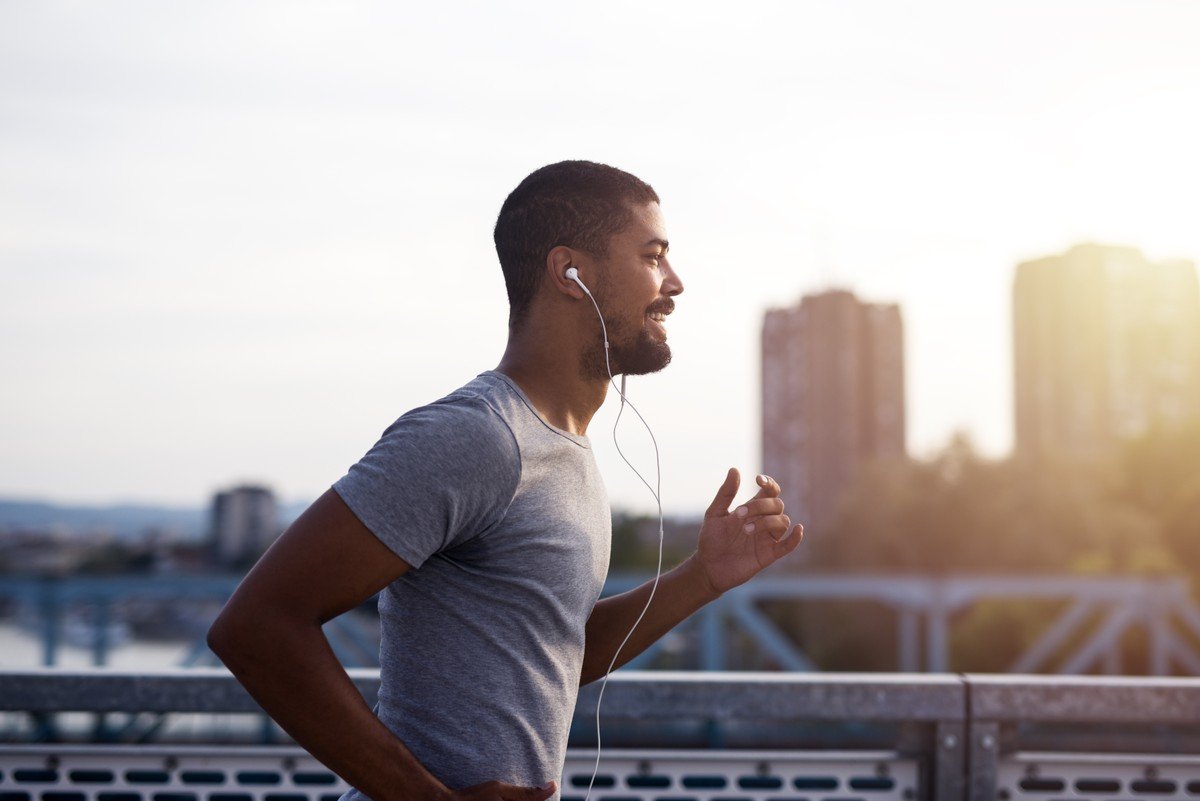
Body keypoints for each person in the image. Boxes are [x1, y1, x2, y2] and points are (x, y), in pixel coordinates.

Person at [207, 160, 804, 801]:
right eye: (654, 256)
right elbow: (255, 625)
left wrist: (701, 577)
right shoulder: (476, 436)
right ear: (569, 272)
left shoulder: (563, 450)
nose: (676, 283)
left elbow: (553, 655)